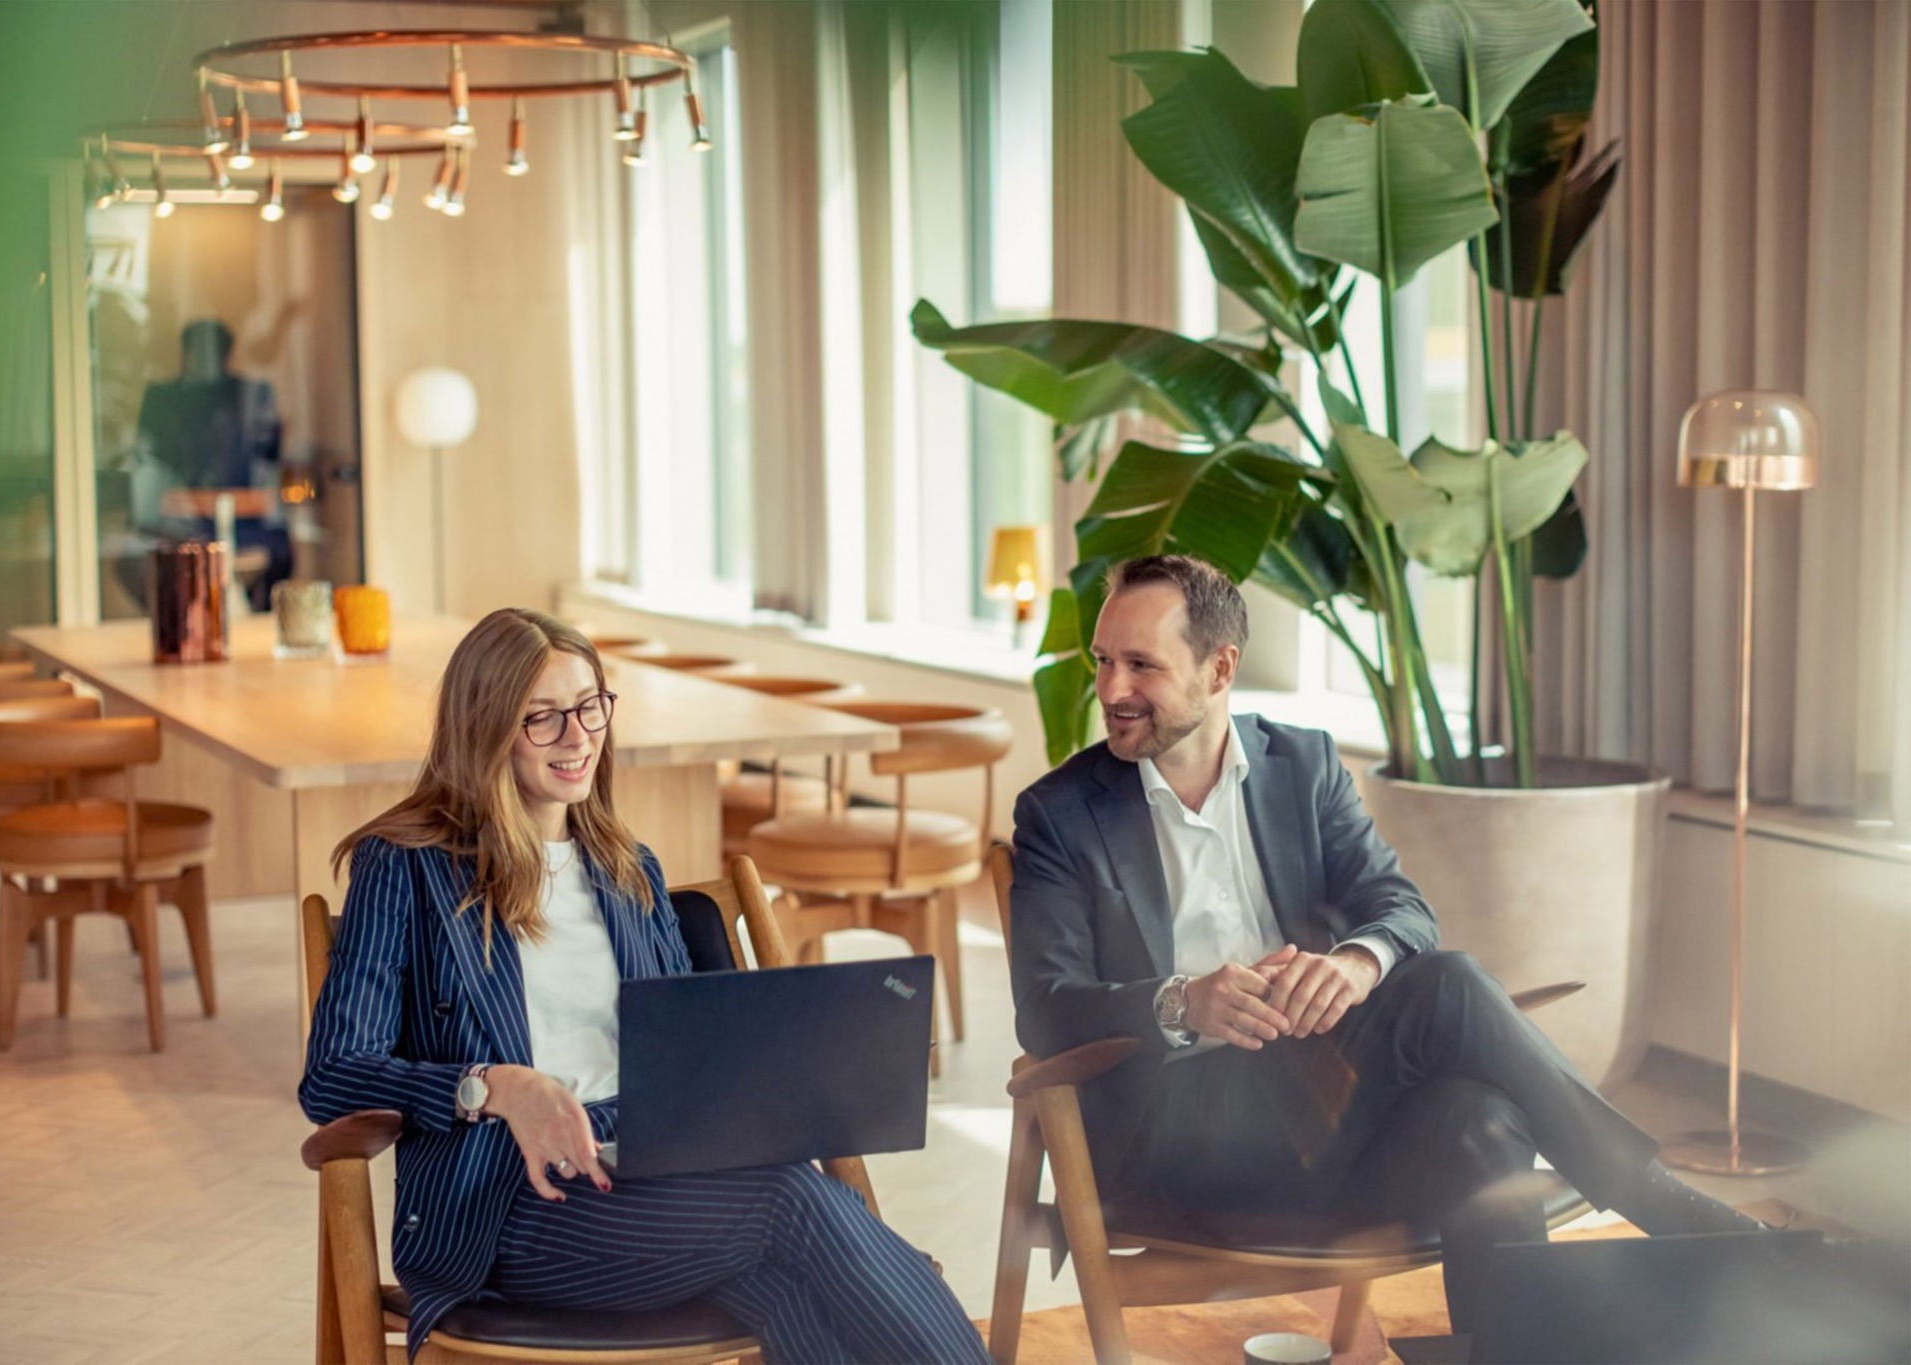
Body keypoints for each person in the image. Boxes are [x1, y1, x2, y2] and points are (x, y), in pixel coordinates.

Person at [1007, 554, 1762, 1331]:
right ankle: (1681, 1216)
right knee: (1449, 985)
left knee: (1481, 1121)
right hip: (1177, 1136)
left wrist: (1354, 965)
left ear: (1220, 666)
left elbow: (1398, 908)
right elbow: (1046, 1008)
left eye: (1141, 665)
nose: (1110, 689)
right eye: (1103, 660)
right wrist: (1183, 1000)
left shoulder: (1300, 765)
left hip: (1323, 1120)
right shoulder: (1061, 815)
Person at [300, 608, 990, 1363]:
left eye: (591, 704)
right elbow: (333, 1075)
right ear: (485, 726)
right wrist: (494, 1088)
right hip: (510, 1205)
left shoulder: (630, 870)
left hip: (654, 1168)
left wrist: (832, 1055)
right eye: (544, 717)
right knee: (789, 1201)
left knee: (790, 1288)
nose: (579, 735)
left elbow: (697, 1048)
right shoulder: (403, 865)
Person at [131, 318, 288, 608]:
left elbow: (267, 479)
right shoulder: (163, 400)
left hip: (245, 529)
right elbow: (153, 478)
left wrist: (215, 502)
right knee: (141, 562)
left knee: (277, 556)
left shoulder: (252, 397)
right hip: (179, 529)